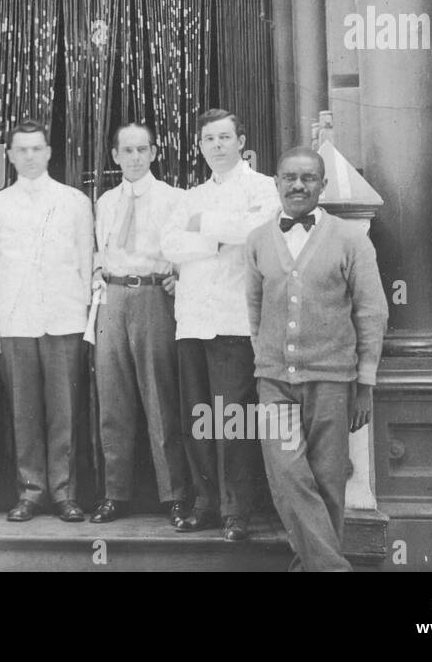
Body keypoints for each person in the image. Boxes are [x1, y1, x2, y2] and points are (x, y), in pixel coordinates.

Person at [245, 146, 388, 570]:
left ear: (322, 186)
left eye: (308, 178)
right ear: (276, 183)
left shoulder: (349, 240)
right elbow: (255, 311)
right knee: (287, 476)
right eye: (289, 177)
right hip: (273, 380)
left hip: (332, 379)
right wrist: (266, 360)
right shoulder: (257, 241)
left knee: (328, 484)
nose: (297, 185)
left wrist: (365, 382)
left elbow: (372, 311)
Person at [161, 109, 280, 541]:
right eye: (208, 139)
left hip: (234, 319)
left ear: (241, 140)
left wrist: (203, 229)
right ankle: (205, 504)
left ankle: (237, 511)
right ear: (199, 146)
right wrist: (215, 238)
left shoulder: (264, 187)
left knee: (231, 419)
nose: (216, 146)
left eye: (224, 137)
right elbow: (169, 244)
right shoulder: (188, 197)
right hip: (192, 319)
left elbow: (255, 233)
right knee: (197, 418)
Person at [0, 120, 93, 523]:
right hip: (15, 322)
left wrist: (86, 320)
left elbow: (86, 263)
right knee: (23, 412)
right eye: (21, 149)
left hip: (64, 320)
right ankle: (31, 491)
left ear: (48, 152)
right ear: (9, 155)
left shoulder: (75, 201)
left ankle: (64, 493)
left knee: (64, 412)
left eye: (36, 148)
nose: (29, 156)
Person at [89, 123, 192, 524]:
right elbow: (102, 248)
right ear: (115, 156)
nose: (134, 157)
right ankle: (115, 494)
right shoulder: (105, 201)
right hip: (112, 300)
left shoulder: (174, 199)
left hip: (152, 297)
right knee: (112, 400)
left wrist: (179, 275)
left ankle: (175, 496)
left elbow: (189, 249)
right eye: (126, 150)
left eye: (141, 150)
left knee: (160, 397)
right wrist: (98, 275)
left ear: (153, 153)